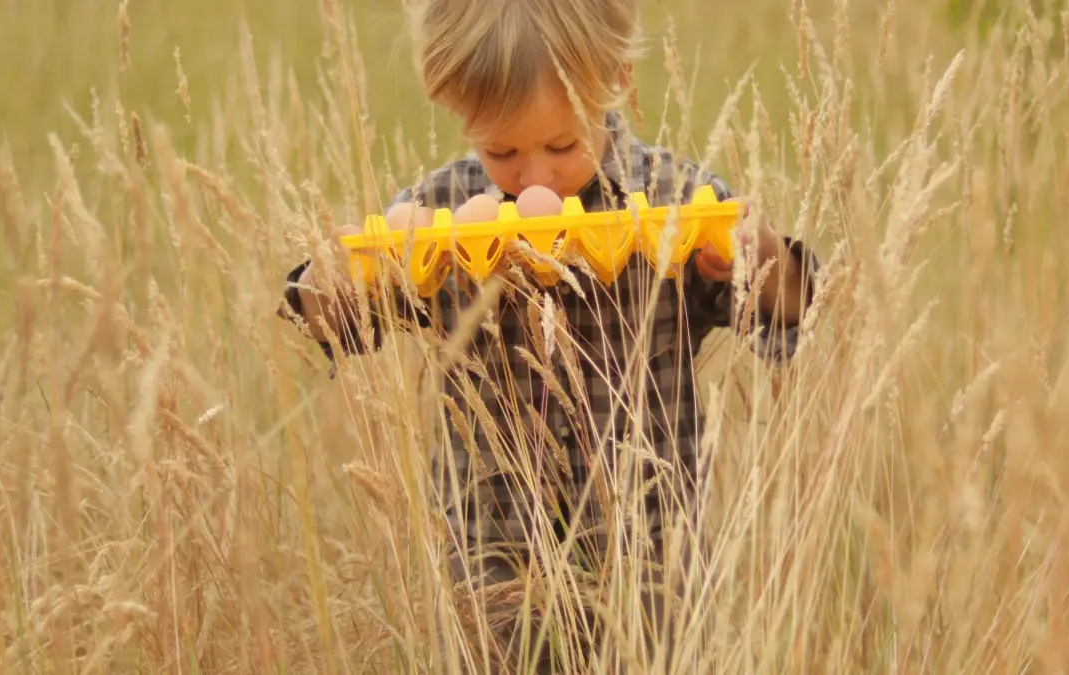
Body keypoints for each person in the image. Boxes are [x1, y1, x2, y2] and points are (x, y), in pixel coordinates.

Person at [279, 0, 820, 668]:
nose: (535, 177)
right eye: (501, 150)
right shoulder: (442, 215)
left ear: (615, 80)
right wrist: (341, 279)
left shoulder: (672, 198)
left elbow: (794, 309)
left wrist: (758, 256)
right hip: (494, 563)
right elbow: (329, 316)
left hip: (651, 562)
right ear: (458, 108)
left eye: (562, 145)